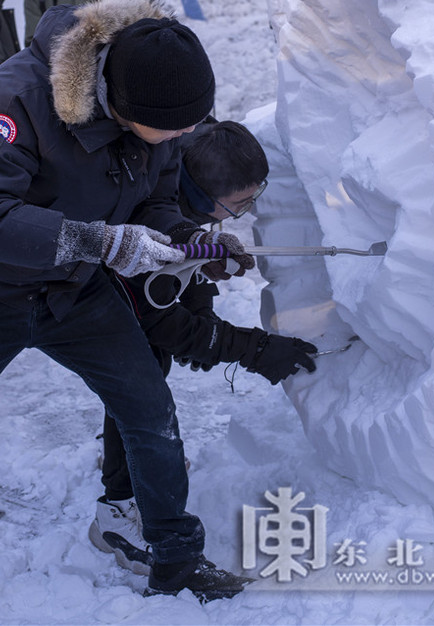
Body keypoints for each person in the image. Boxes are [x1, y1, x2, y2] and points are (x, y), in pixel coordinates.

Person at [0, 0, 255, 601]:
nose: (187, 134)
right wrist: (99, 242)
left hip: (75, 291)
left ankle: (174, 558)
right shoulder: (14, 99)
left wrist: (189, 241)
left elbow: (157, 199)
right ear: (123, 106)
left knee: (150, 410)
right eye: (176, 126)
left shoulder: (161, 112)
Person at [89, 120, 319, 573]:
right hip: (75, 295)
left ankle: (133, 460)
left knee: (145, 381)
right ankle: (115, 510)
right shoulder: (144, 214)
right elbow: (159, 322)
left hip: (136, 285)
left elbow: (186, 262)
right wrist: (252, 349)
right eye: (238, 206)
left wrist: (204, 310)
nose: (244, 212)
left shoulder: (189, 155)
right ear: (197, 194)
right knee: (141, 380)